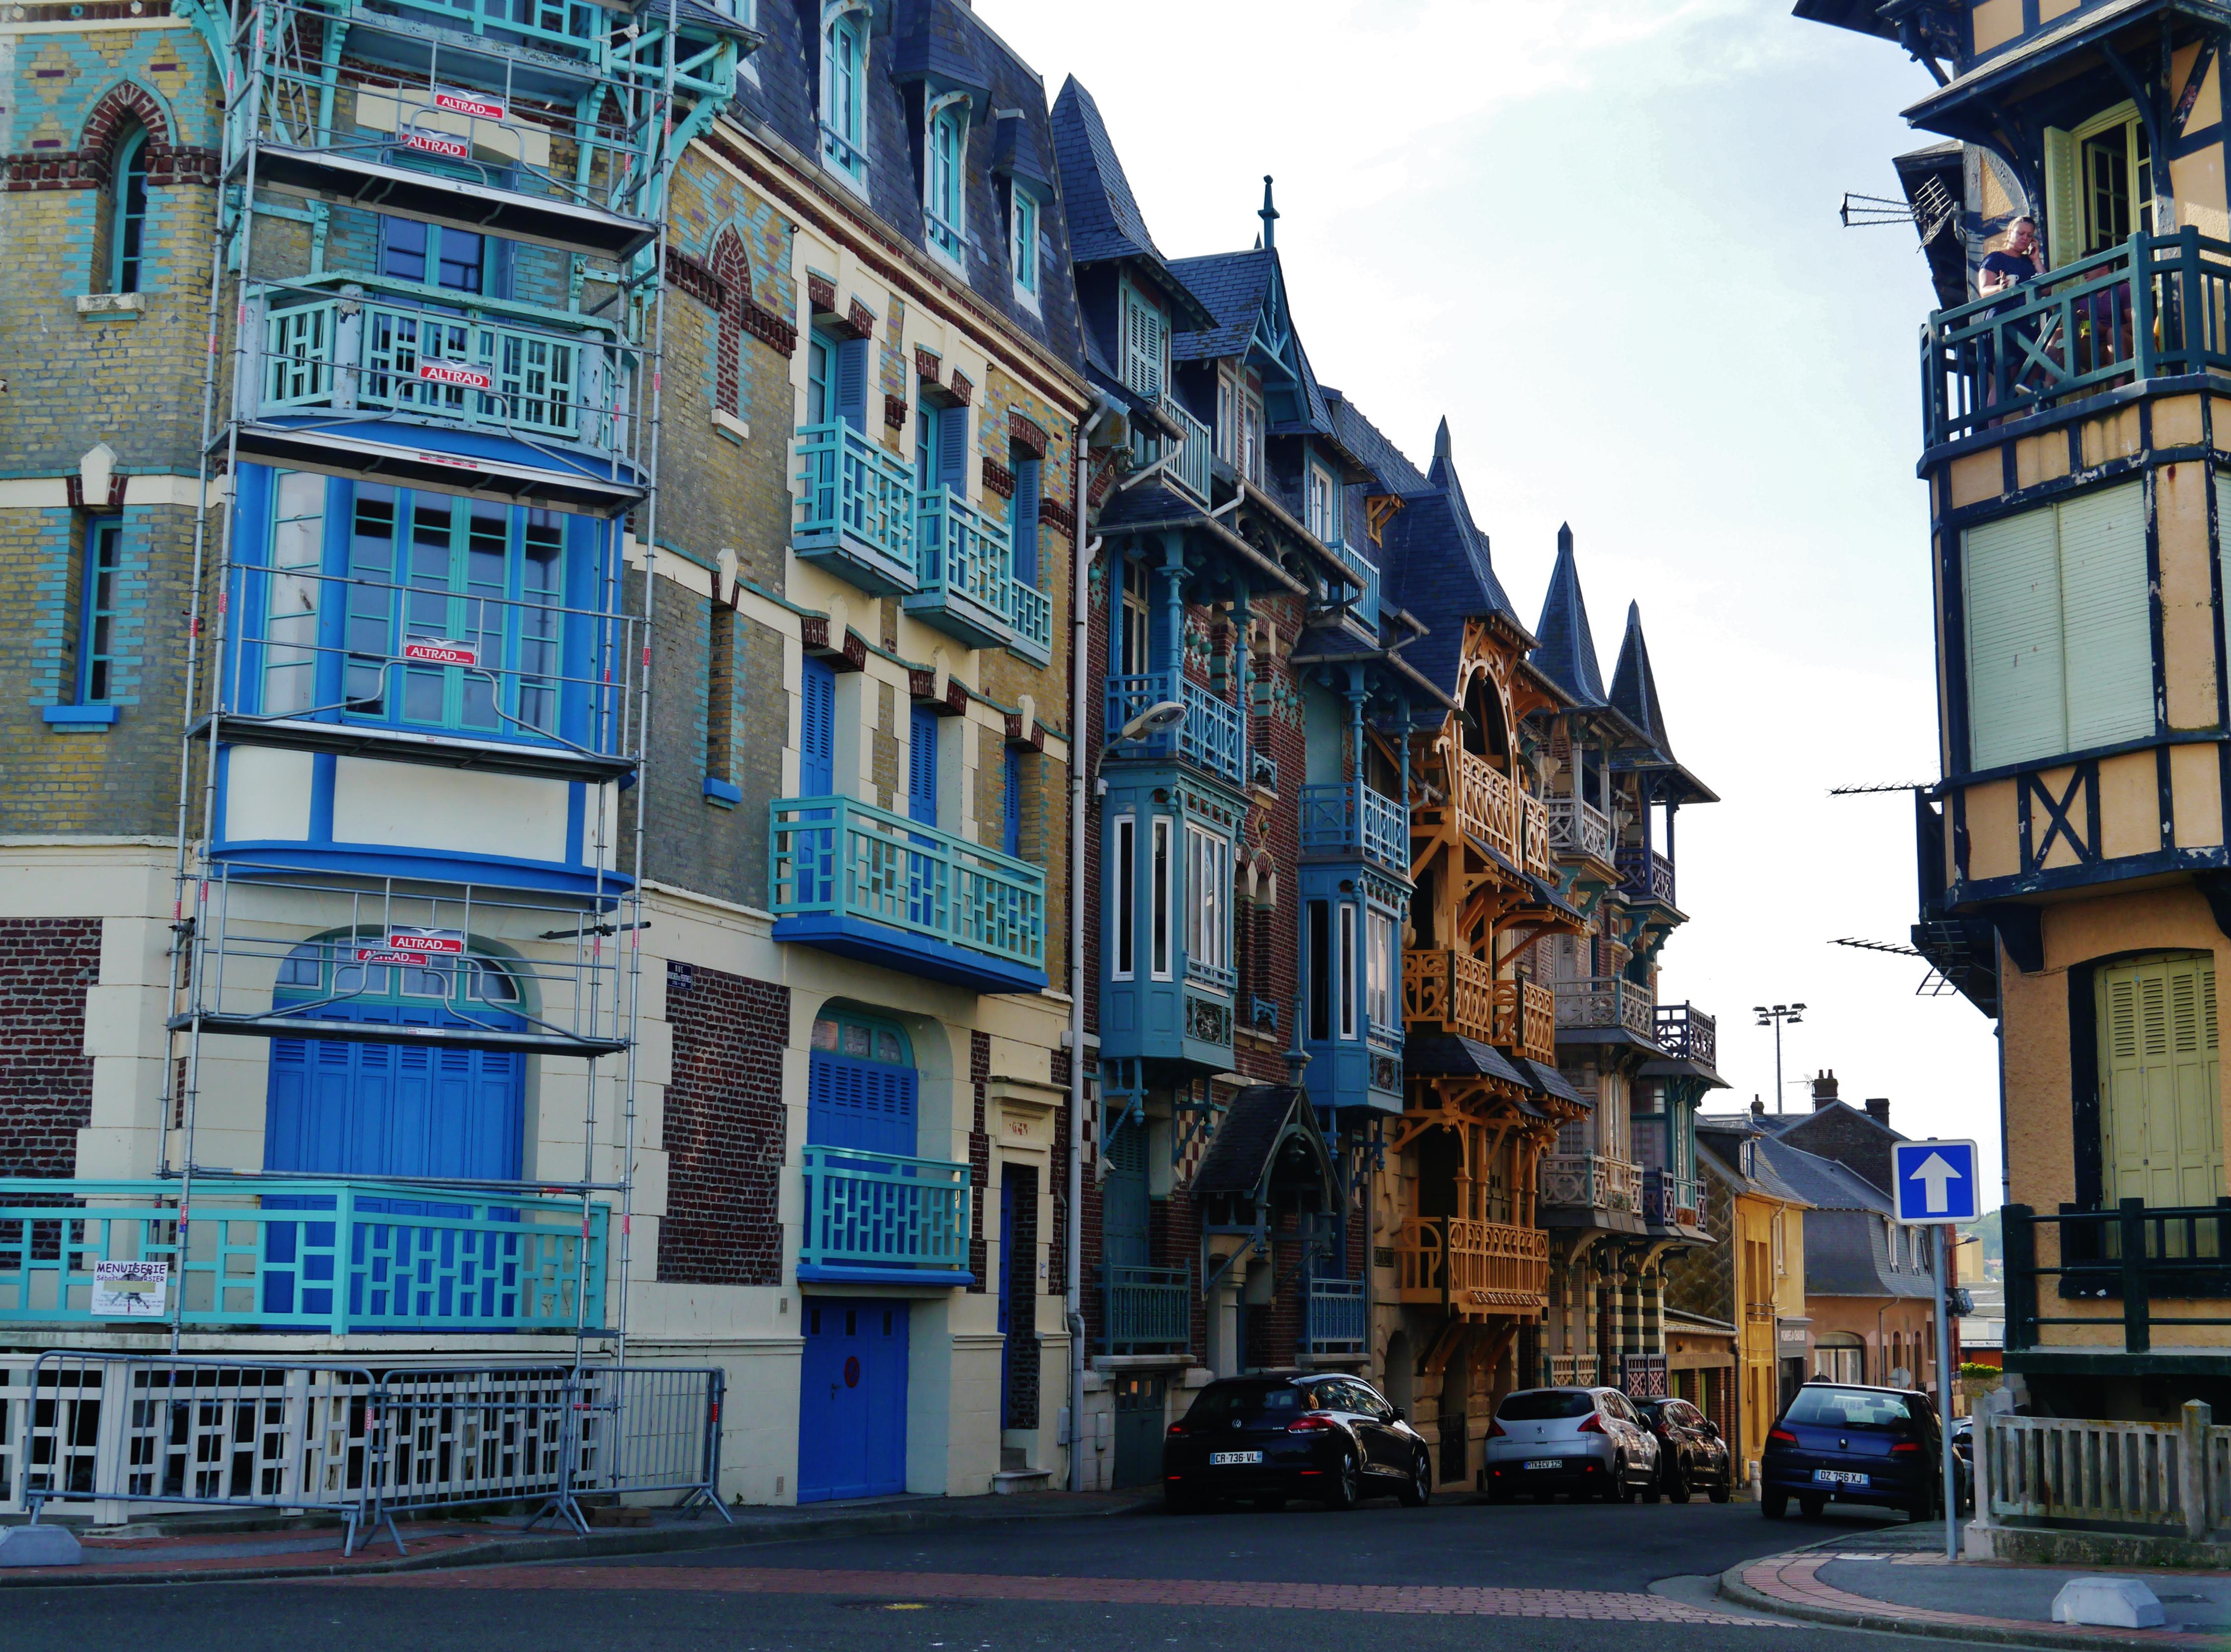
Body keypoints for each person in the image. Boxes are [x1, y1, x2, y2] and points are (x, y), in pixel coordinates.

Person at [1978, 215, 2041, 296]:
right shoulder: (1995, 258)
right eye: (2021, 233)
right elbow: (1984, 291)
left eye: (2029, 235)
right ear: (2010, 234)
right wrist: (2000, 288)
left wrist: (2036, 260)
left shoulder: (2028, 261)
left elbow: (2046, 289)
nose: (2025, 238)